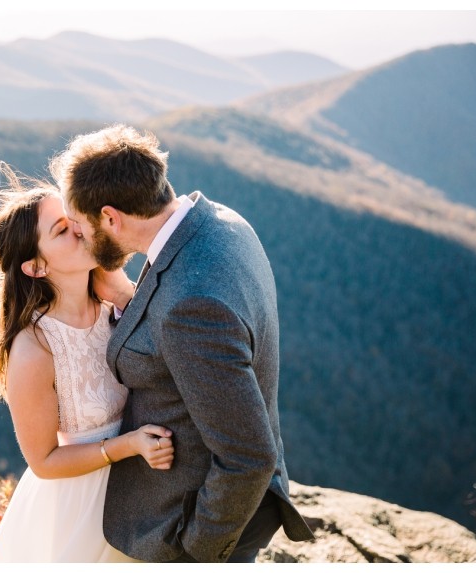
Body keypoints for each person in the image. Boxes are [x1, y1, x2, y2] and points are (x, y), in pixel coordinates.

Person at [49, 124, 315, 563]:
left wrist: (197, 550)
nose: (80, 237)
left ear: (111, 218)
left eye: (80, 226)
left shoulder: (190, 305)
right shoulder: (221, 222)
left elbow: (249, 456)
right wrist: (123, 298)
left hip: (192, 523)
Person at [0, 160, 175, 562]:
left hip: (144, 490)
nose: (80, 228)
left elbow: (169, 358)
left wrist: (125, 297)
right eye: (63, 230)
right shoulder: (35, 348)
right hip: (80, 510)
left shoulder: (113, 303)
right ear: (36, 266)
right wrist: (128, 446)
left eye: (73, 218)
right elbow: (44, 461)